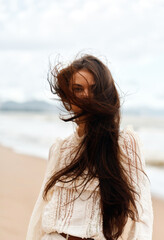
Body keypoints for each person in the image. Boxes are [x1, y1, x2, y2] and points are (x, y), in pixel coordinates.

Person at [26, 54, 153, 240]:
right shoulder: (60, 149)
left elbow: (141, 215)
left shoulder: (125, 143)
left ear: (105, 94)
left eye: (94, 89)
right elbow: (41, 208)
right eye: (78, 89)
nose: (86, 96)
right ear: (68, 97)